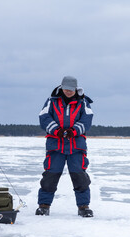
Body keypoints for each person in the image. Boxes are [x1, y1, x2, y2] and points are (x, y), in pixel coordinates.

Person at [36, 76, 94, 217]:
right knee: (50, 175)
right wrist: (57, 130)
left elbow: (86, 120)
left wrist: (74, 130)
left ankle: (83, 207)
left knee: (80, 175)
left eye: (71, 89)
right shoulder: (51, 101)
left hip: (76, 146)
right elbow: (44, 118)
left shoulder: (83, 102)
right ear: (61, 87)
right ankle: (44, 205)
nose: (68, 92)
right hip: (55, 146)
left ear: (76, 89)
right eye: (66, 89)